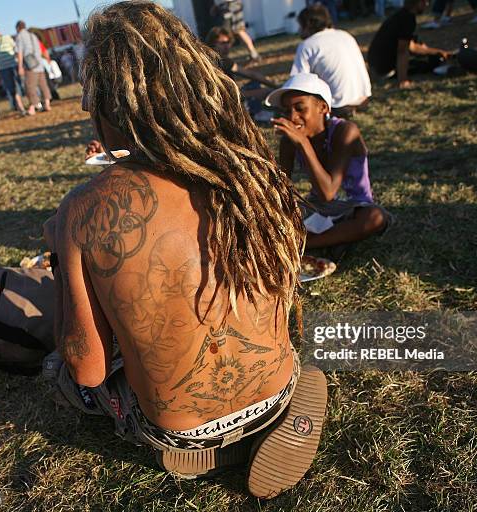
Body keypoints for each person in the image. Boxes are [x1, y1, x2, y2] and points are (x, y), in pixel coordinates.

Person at [42, 1, 327, 499]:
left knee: (59, 375)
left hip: (182, 431)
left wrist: (60, 257)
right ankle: (273, 415)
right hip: (275, 388)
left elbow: (85, 366)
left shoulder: (85, 209)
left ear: (111, 104)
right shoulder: (248, 170)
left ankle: (206, 445)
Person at [267, 73, 389, 252]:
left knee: (375, 217)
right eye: (287, 111)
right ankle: (327, 240)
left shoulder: (345, 131)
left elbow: (328, 192)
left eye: (300, 108)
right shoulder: (290, 141)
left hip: (353, 207)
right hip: (318, 208)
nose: (292, 117)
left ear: (323, 108)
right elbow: (283, 187)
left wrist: (303, 143)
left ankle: (305, 245)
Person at [291, 4, 371, 119]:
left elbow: (298, 84)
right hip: (363, 99)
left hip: (337, 105)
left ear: (307, 25)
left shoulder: (307, 45)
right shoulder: (345, 34)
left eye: (300, 26)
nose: (298, 30)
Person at [367, 0, 453, 88]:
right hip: (386, 69)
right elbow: (403, 50)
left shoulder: (400, 15)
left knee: (433, 57)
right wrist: (403, 80)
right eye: (425, 2)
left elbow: (412, 46)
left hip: (377, 66)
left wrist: (437, 52)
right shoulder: (408, 19)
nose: (427, 4)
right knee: (433, 62)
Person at [205, 26, 278, 118]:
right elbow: (251, 75)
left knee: (254, 84)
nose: (227, 46)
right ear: (213, 43)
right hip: (227, 99)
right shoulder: (221, 59)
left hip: (223, 97)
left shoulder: (208, 58)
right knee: (264, 91)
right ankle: (256, 114)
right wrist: (274, 87)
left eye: (228, 42)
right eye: (223, 43)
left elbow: (234, 70)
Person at [0, 22, 26, 114]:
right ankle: (20, 107)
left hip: (13, 64)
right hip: (3, 67)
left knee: (19, 85)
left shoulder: (7, 37)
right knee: (11, 87)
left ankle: (21, 105)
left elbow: (16, 49)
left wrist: (20, 63)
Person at [15, 20, 52, 116]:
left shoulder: (20, 36)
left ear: (18, 28)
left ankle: (33, 108)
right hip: (39, 63)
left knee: (29, 86)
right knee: (43, 85)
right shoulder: (33, 35)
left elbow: (20, 53)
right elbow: (41, 49)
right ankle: (47, 104)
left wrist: (20, 67)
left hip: (30, 65)